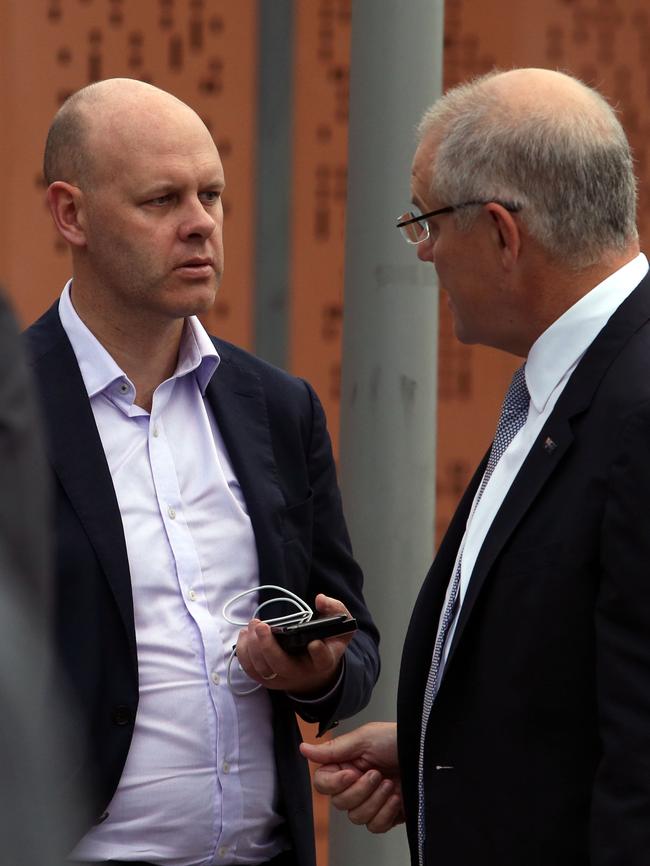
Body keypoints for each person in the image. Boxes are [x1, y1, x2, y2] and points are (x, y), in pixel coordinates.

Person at [24, 78, 380, 866]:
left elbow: (355, 649)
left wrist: (315, 670)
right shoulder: (14, 412)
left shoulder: (278, 409)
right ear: (70, 213)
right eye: (161, 200)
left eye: (212, 195)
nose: (201, 225)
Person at [301, 67, 650, 866]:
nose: (422, 253)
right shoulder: (563, 384)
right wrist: (434, 751)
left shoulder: (634, 406)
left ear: (500, 232)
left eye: (424, 222)